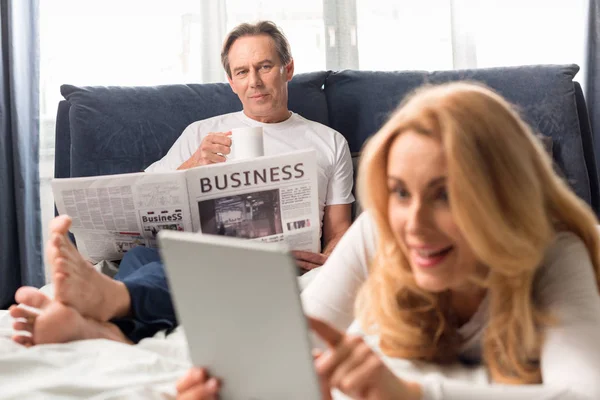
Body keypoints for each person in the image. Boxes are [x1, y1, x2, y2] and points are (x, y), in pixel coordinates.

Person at [174, 82, 600, 399]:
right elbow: (290, 343)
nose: (413, 224)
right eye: (400, 191)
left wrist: (413, 395)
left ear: (501, 196)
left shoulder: (553, 252)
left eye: (445, 194)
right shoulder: (384, 229)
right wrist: (223, 388)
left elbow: (582, 393)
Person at [9, 20, 354, 345]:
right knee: (144, 259)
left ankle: (107, 314)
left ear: (287, 69)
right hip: (198, 262)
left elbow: (339, 231)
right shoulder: (202, 134)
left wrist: (326, 263)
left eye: (264, 66)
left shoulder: (328, 142)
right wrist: (193, 164)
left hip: (274, 269)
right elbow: (143, 197)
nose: (255, 81)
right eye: (242, 72)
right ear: (231, 82)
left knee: (174, 277)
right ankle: (109, 323)